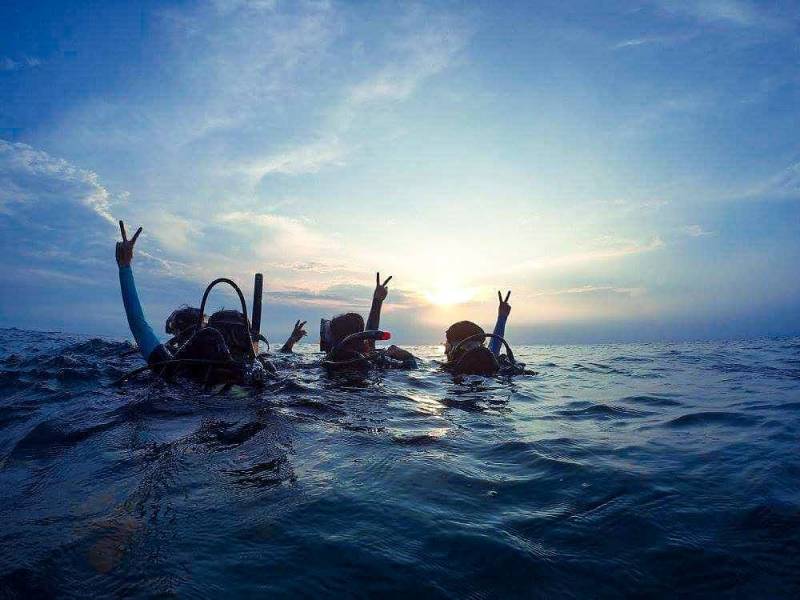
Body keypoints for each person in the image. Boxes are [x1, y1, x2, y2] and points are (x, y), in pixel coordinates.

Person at [116, 220, 302, 385]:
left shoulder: (176, 369)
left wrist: (124, 266)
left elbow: (138, 326)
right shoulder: (258, 368)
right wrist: (290, 343)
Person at [320, 273, 417, 369]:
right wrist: (407, 356)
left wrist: (377, 301)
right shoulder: (373, 362)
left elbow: (367, 337)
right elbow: (411, 367)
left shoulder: (326, 363)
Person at [443, 290, 523, 376]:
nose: (445, 352)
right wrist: (502, 317)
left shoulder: (447, 370)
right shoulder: (489, 362)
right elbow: (494, 347)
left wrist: (502, 317)